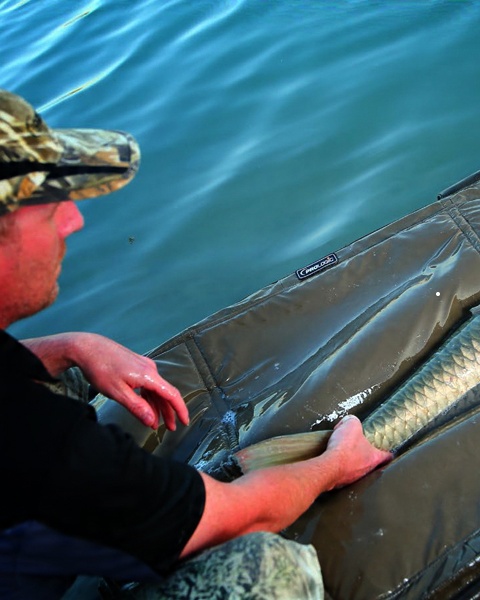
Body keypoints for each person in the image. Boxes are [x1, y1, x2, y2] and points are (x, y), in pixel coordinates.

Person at [0, 89, 393, 599]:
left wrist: (72, 345)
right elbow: (242, 518)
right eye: (48, 206)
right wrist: (335, 464)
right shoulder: (31, 434)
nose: (74, 220)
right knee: (268, 571)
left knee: (57, 375)